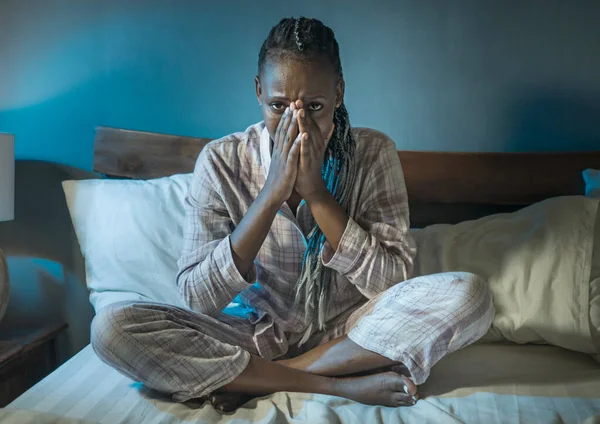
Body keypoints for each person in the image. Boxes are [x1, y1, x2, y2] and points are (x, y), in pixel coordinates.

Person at [91, 17, 494, 413]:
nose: (296, 124)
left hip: (352, 333)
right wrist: (270, 196)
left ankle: (265, 377)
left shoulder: (373, 154)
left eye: (314, 107)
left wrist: (317, 194)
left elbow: (391, 281)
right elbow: (198, 299)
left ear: (339, 93)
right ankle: (331, 383)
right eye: (278, 106)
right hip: (255, 332)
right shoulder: (220, 161)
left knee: (470, 295)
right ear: (258, 91)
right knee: (111, 328)